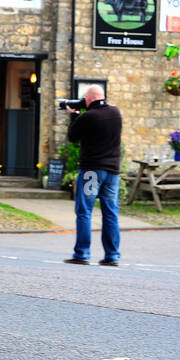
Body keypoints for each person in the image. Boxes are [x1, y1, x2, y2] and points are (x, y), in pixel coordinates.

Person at [63, 85, 122, 266]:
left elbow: (72, 136)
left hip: (91, 172)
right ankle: (112, 256)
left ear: (88, 100)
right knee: (111, 213)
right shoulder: (116, 113)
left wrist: (74, 115)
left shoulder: (88, 116)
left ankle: (82, 254)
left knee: (84, 211)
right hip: (112, 172)